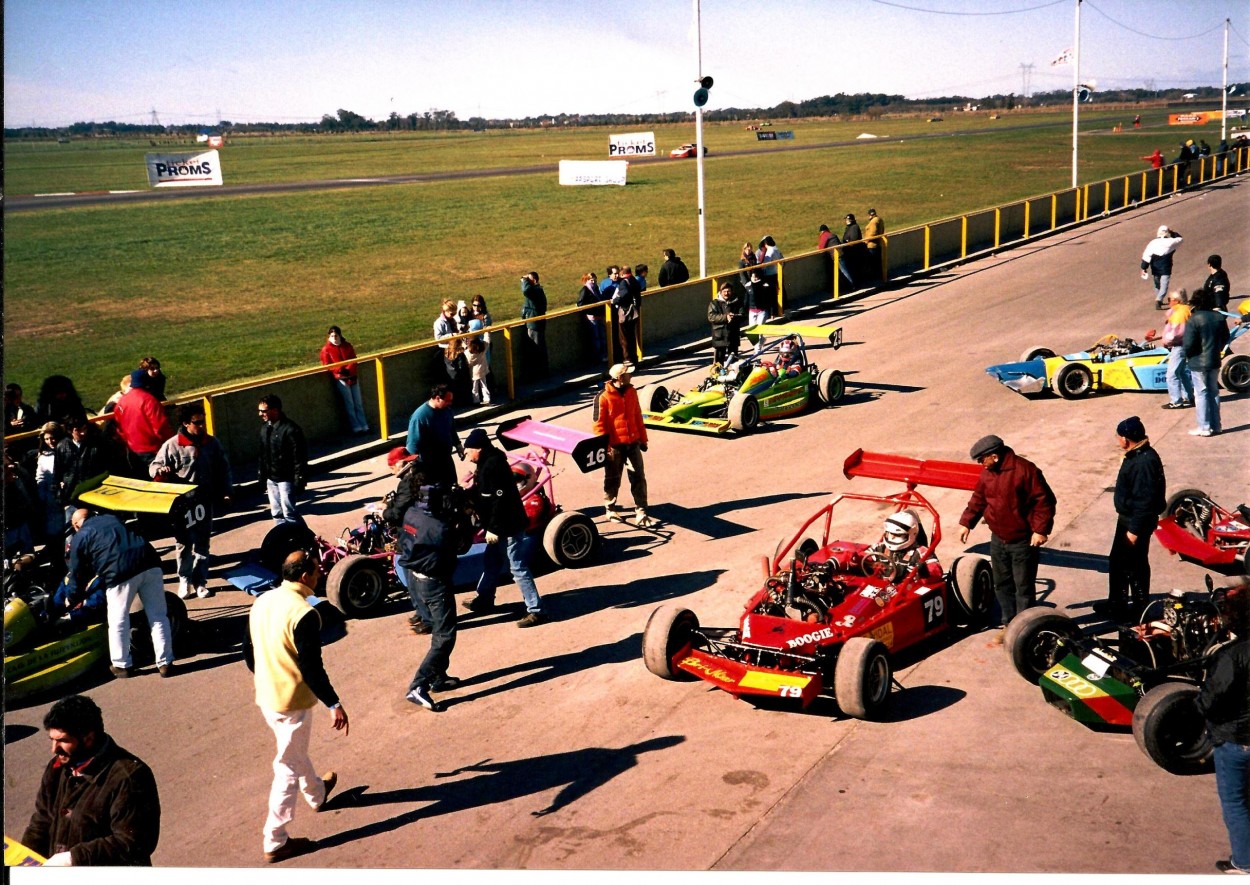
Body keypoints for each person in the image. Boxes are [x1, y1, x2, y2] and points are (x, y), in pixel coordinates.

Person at [244, 550, 348, 864]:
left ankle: (317, 793)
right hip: (292, 701)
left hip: (267, 695)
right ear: (304, 577)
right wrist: (334, 703)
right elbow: (312, 668)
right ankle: (275, 839)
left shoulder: (262, 600)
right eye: (317, 572)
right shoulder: (303, 613)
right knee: (286, 767)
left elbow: (249, 651)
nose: (319, 576)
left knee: (293, 751)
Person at [22, 694, 161, 866]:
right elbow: (42, 820)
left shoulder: (130, 777)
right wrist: (24, 860)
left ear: (88, 738)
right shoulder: (57, 767)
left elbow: (132, 842)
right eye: (52, 740)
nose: (54, 749)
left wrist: (72, 858)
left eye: (62, 741)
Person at [958, 435, 1057, 630]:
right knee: (1002, 584)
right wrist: (967, 522)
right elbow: (978, 498)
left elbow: (1045, 502)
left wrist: (1040, 530)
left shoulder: (1025, 470)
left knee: (1024, 588)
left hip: (1023, 541)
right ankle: (1009, 625)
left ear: (994, 456)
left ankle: (1026, 629)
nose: (980, 464)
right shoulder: (987, 473)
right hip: (998, 539)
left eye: (982, 459)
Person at [63, 508, 174, 678]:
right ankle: (165, 662)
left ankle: (122, 665)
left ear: (76, 525)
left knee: (118, 620)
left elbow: (77, 573)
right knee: (158, 615)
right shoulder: (112, 518)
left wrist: (72, 597)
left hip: (119, 573)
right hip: (149, 562)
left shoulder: (80, 537)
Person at [461, 428, 546, 627]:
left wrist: (494, 529)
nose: (466, 455)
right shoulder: (485, 464)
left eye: (468, 450)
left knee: (517, 567)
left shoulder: (494, 465)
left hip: (508, 525)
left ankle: (537, 610)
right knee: (492, 561)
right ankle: (484, 599)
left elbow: (501, 501)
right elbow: (485, 494)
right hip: (499, 525)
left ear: (478, 449)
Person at [1195, 580, 1250, 876]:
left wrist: (1196, 711)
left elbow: (1212, 698)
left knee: (1235, 803)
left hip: (1236, 741)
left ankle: (1244, 864)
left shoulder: (1232, 655)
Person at [150, 403, 233, 599]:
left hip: (204, 501)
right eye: (198, 422)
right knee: (183, 544)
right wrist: (160, 471)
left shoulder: (211, 443)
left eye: (203, 421)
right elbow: (154, 467)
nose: (203, 426)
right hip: (182, 506)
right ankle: (184, 580)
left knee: (203, 543)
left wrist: (227, 491)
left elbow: (224, 469)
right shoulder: (171, 445)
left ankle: (200, 581)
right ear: (186, 423)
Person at [398, 480, 465, 711]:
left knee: (436, 630)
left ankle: (438, 678)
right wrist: (461, 517)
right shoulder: (439, 527)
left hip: (414, 579)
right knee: (445, 637)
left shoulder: (411, 513)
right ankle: (419, 685)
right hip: (434, 584)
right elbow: (462, 545)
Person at [1095, 417, 1165, 618]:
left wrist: (1134, 531)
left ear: (1126, 439)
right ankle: (1119, 602)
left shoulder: (1143, 462)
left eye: (1119, 437)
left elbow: (1145, 501)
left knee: (1134, 564)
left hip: (1135, 522)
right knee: (1120, 562)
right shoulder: (1139, 455)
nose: (1118, 440)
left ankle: (1138, 608)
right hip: (1130, 519)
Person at [593, 363, 655, 527]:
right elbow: (599, 426)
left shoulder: (632, 392)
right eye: (628, 374)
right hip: (614, 447)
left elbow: (637, 416)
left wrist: (643, 439)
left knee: (639, 477)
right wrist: (605, 449)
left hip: (633, 443)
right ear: (619, 377)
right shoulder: (603, 397)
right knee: (613, 479)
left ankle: (641, 511)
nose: (631, 376)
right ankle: (610, 508)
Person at [1183, 286, 1231, 437]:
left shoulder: (1194, 319)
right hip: (1214, 359)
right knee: (1213, 392)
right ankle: (1217, 426)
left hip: (1198, 362)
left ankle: (1204, 426)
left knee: (1201, 393)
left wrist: (1188, 356)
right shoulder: (1218, 317)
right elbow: (1225, 338)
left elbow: (1189, 344)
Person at [257, 394, 309, 526]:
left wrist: (299, 480)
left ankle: (305, 539)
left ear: (275, 410)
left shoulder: (291, 429)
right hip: (271, 479)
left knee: (289, 513)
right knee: (276, 513)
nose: (260, 414)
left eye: (263, 411)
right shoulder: (265, 429)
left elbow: (300, 457)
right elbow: (263, 455)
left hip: (286, 479)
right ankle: (284, 541)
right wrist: (262, 476)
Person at [112, 370, 173, 476]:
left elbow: (119, 428)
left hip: (132, 450)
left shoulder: (122, 401)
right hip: (152, 451)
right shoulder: (149, 400)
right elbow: (160, 427)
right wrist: (171, 444)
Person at [404, 383, 463, 488]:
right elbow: (413, 445)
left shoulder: (447, 410)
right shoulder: (420, 417)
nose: (450, 403)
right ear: (438, 398)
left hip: (446, 460)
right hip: (430, 465)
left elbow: (451, 429)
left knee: (453, 489)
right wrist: (413, 468)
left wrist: (458, 445)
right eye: (448, 400)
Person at [319, 326, 369, 435]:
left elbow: (353, 359)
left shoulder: (347, 346)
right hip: (341, 379)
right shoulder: (326, 349)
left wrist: (349, 369)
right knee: (349, 404)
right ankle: (356, 427)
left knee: (358, 402)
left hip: (352, 377)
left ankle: (364, 425)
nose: (334, 338)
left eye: (336, 335)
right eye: (332, 336)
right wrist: (340, 370)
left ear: (340, 335)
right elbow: (327, 365)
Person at [1160, 289, 1194, 410]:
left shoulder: (1179, 314)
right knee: (1181, 372)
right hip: (1186, 345)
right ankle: (1188, 397)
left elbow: (1175, 333)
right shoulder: (1186, 310)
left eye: (1169, 300)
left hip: (1179, 345)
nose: (1168, 302)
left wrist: (1166, 341)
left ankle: (1176, 401)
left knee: (1171, 374)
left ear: (1176, 301)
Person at [1140, 224, 1183, 309]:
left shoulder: (1153, 243)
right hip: (1166, 268)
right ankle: (1159, 300)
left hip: (1155, 268)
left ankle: (1158, 299)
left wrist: (1143, 268)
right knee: (1164, 285)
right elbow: (1180, 239)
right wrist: (1172, 232)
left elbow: (1146, 255)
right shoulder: (1171, 241)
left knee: (1157, 285)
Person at [520, 270, 549, 379]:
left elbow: (526, 291)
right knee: (539, 347)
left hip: (534, 325)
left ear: (535, 280)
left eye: (529, 279)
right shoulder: (537, 290)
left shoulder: (535, 291)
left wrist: (524, 280)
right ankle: (541, 372)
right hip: (536, 323)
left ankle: (539, 374)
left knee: (536, 348)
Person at [612, 265, 642, 364]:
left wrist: (615, 301)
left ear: (622, 273)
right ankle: (634, 357)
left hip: (626, 311)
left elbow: (623, 294)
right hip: (635, 311)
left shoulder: (624, 282)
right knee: (631, 335)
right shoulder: (634, 280)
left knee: (624, 336)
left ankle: (627, 358)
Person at [708, 281, 741, 366]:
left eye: (728, 291)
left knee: (734, 362)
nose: (726, 293)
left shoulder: (737, 302)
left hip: (733, 335)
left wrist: (734, 316)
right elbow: (711, 317)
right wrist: (725, 317)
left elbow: (743, 315)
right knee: (718, 363)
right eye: (724, 291)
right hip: (720, 336)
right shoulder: (714, 303)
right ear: (720, 292)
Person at [578, 272, 608, 362]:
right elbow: (580, 304)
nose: (593, 280)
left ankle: (604, 355)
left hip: (599, 316)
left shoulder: (596, 289)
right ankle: (598, 357)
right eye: (590, 278)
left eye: (594, 278)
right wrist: (590, 311)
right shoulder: (585, 290)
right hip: (592, 318)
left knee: (602, 337)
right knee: (596, 338)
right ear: (586, 280)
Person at [466, 337, 491, 405]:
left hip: (474, 373)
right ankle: (487, 399)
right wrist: (486, 332)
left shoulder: (468, 354)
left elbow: (467, 361)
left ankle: (476, 400)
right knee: (484, 385)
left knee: (474, 388)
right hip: (482, 370)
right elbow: (487, 341)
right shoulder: (482, 350)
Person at [863, 208, 885, 282]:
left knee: (873, 262)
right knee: (877, 262)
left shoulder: (873, 222)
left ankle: (875, 278)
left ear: (870, 215)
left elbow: (873, 233)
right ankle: (880, 277)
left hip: (872, 245)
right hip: (878, 244)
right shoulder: (880, 220)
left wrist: (866, 241)